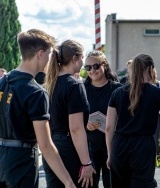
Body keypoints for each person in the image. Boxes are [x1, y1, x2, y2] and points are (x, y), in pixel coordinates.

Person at [0, 29, 75, 188]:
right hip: (20, 161)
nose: (50, 60)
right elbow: (46, 145)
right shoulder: (36, 92)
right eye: (49, 54)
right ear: (40, 54)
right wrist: (68, 181)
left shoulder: (2, 82)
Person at [106, 53, 160, 188]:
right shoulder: (159, 94)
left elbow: (109, 127)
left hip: (119, 145)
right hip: (143, 146)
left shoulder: (117, 93)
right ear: (151, 69)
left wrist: (110, 154)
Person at [43, 39, 96, 188]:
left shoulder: (49, 84)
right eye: (82, 58)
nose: (83, 62)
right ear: (75, 58)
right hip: (69, 147)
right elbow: (76, 128)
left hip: (51, 144)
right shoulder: (74, 85)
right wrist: (86, 163)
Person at [84, 50, 122, 188]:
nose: (92, 70)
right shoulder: (82, 88)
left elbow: (126, 116)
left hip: (112, 146)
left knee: (112, 184)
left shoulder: (117, 89)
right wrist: (85, 123)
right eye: (88, 67)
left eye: (96, 66)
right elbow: (73, 117)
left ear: (104, 65)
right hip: (89, 147)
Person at [150, 67, 160, 155]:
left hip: (157, 115)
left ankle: (156, 154)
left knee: (156, 136)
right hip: (146, 115)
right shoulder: (143, 84)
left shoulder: (159, 84)